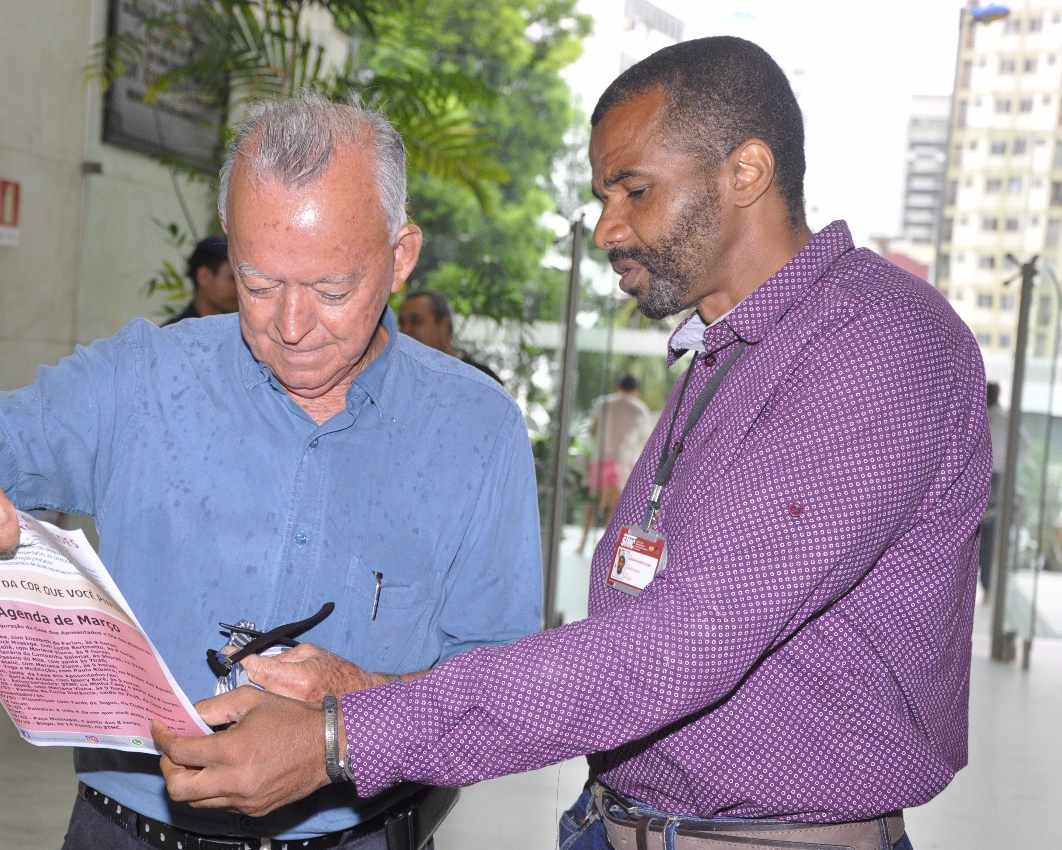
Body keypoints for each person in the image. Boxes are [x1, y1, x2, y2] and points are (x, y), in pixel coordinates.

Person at [151, 37, 991, 850]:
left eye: (633, 191)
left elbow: (681, 644)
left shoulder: (876, 347)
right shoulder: (732, 347)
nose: (606, 230)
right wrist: (375, 695)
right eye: (602, 196)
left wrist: (343, 736)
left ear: (747, 172)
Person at [0, 92, 543, 850]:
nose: (291, 324)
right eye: (259, 283)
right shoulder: (145, 378)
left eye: (331, 289)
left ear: (401, 255)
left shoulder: (478, 430)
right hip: (127, 832)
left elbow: (503, 689)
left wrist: (352, 713)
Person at [576, 373, 651, 555]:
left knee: (594, 503)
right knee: (615, 509)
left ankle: (583, 544)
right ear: (635, 390)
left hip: (601, 459)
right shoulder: (640, 408)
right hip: (624, 463)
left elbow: (593, 431)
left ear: (618, 386)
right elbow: (644, 438)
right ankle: (608, 547)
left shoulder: (603, 402)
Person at [397, 289, 503, 384]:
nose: (405, 330)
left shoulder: (483, 381)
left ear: (445, 326)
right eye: (402, 323)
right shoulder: (399, 376)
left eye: (416, 321)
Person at [163, 234, 238, 325]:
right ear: (204, 276)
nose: (239, 288)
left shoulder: (235, 331)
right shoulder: (173, 335)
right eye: (233, 278)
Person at [981, 381, 1010, 600]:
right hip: (998, 477)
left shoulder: (983, 416)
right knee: (988, 536)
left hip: (984, 476)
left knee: (977, 532)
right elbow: (1023, 447)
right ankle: (988, 589)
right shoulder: (1004, 419)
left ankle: (986, 588)